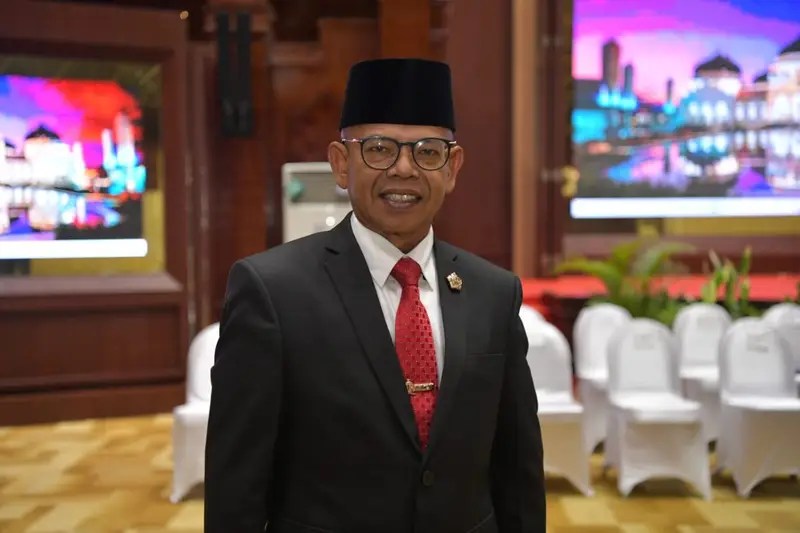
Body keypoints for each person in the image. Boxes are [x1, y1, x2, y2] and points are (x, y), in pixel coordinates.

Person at [204, 57, 546, 533]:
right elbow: (236, 488)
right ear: (341, 163)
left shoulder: (494, 291)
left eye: (428, 152)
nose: (404, 169)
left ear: (452, 168)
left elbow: (518, 468)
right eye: (380, 149)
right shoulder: (272, 292)